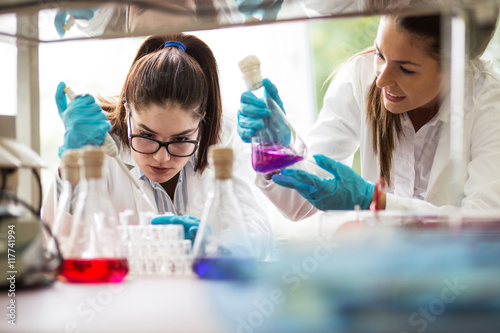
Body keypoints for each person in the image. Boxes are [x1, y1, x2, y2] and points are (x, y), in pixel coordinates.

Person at [237, 10, 500, 221]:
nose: (381, 79)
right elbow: (299, 204)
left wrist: (374, 201)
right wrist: (277, 152)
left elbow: (484, 223)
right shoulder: (359, 79)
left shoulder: (489, 102)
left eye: (406, 69)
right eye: (379, 54)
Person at [42, 33, 272, 259]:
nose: (161, 158)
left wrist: (212, 247)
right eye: (146, 135)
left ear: (202, 121)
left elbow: (256, 229)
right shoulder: (99, 143)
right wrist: (70, 167)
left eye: (181, 140)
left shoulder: (224, 136)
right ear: (127, 112)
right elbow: (56, 245)